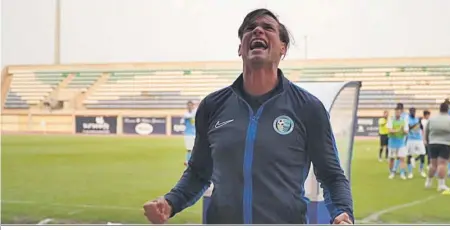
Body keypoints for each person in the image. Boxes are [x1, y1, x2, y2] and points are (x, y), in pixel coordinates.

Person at [143, 8, 354, 225]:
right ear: (240, 48)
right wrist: (170, 202)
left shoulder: (308, 107)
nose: (258, 31)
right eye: (250, 28)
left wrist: (342, 212)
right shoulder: (212, 106)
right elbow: (198, 173)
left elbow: (331, 175)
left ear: (283, 48)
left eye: (268, 28)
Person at [424, 103, 450, 194]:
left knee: (433, 164)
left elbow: (427, 130)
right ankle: (441, 184)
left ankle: (428, 181)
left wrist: (427, 140)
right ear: (448, 110)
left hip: (433, 143)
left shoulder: (432, 119)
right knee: (442, 164)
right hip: (445, 143)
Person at [388, 107, 409, 180]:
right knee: (392, 158)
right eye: (396, 112)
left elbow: (406, 132)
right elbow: (390, 130)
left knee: (402, 158)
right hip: (392, 142)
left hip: (401, 142)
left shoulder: (404, 120)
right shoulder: (391, 120)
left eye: (399, 112)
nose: (398, 113)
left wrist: (403, 130)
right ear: (395, 112)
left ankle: (402, 173)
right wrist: (398, 130)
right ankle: (391, 172)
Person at [406, 107, 426, 178]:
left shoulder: (417, 119)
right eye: (411, 111)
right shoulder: (407, 119)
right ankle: (410, 172)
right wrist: (416, 124)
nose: (413, 113)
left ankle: (421, 170)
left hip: (419, 139)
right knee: (409, 155)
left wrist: (420, 124)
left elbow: (421, 128)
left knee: (423, 154)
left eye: (414, 111)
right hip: (410, 139)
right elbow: (408, 128)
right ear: (409, 112)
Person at [180, 100, 197, 166]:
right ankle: (188, 161)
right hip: (188, 134)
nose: (190, 106)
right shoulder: (186, 114)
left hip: (195, 133)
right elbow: (183, 120)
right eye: (189, 105)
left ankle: (193, 161)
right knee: (189, 149)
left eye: (191, 105)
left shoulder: (194, 113)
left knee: (196, 148)